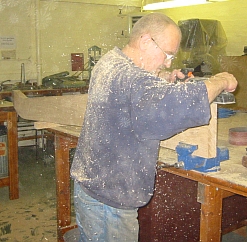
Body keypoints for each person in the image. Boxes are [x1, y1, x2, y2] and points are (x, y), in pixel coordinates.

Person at [70, 13, 237, 242]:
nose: (168, 62)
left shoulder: (110, 62)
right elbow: (174, 107)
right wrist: (219, 81)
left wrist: (163, 80)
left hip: (93, 186)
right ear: (146, 41)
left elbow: (134, 94)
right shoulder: (133, 79)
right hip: (110, 201)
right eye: (167, 54)